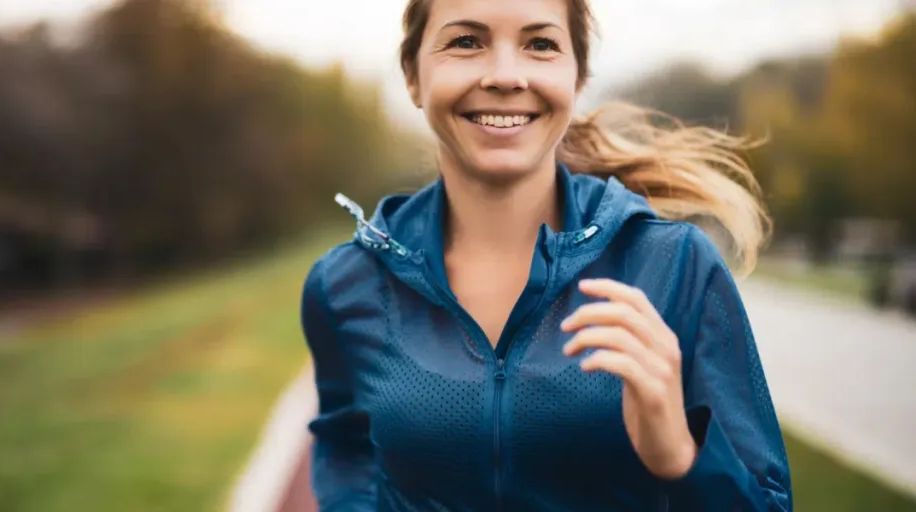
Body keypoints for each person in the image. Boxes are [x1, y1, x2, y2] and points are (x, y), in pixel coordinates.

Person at [300, 0, 792, 510]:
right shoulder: (344, 285)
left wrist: (681, 457)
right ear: (413, 76)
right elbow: (348, 454)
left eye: (540, 44)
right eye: (466, 42)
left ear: (577, 79)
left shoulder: (674, 268)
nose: (506, 75)